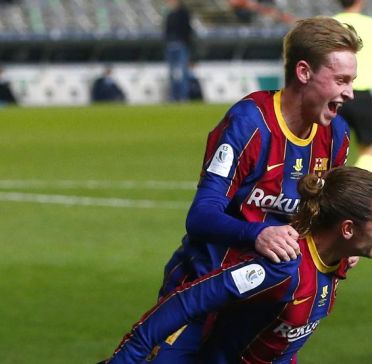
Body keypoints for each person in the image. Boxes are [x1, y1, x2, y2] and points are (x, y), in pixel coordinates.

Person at [133, 16, 360, 362]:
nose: (350, 92)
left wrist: (345, 243)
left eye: (351, 81)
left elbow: (325, 216)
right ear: (303, 72)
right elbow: (201, 215)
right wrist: (258, 234)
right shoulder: (250, 123)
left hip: (268, 303)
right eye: (341, 80)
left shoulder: (337, 136)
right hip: (203, 284)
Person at [103, 167, 372, 363]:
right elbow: (186, 302)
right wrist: (126, 358)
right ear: (347, 229)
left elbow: (278, 344)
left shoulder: (334, 264)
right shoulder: (281, 268)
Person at [334, 0, 372, 174]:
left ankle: (324, 188)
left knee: (330, 149)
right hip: (362, 95)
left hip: (334, 95)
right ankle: (357, 187)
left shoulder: (330, 24)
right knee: (369, 149)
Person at [164, 0, 193, 102]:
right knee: (171, 73)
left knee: (184, 72)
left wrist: (186, 43)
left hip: (181, 45)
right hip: (171, 45)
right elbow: (166, 31)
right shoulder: (169, 15)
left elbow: (187, 30)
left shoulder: (184, 14)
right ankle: (174, 96)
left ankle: (183, 96)